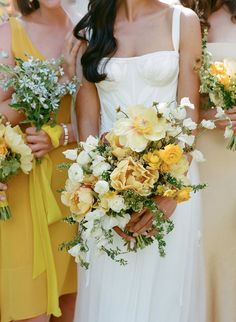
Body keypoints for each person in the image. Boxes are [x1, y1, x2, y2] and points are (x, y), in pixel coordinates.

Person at [73, 1, 205, 322]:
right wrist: (101, 195)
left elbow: (189, 113)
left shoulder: (182, 22)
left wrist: (169, 193)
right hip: (107, 192)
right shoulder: (92, 29)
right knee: (110, 300)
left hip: (174, 186)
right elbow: (87, 123)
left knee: (165, 302)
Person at [0, 1, 81, 321]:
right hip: (24, 185)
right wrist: (58, 77)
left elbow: (108, 110)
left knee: (72, 304)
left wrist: (64, 132)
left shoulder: (89, 32)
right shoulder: (9, 34)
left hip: (75, 185)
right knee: (30, 308)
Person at [180, 1, 236, 321]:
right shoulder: (187, 15)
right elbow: (175, 93)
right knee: (208, 250)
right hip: (202, 156)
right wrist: (204, 113)